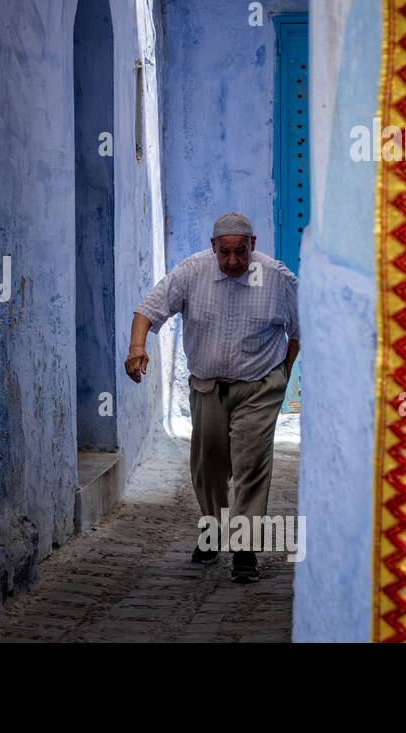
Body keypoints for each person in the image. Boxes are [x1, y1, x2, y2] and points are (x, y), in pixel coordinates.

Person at [124, 212, 299, 584]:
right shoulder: (192, 273)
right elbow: (148, 310)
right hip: (207, 387)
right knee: (209, 467)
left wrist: (282, 373)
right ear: (213, 248)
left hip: (258, 385)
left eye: (240, 252)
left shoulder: (277, 278)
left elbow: (299, 328)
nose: (233, 262)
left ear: (253, 246)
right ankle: (213, 530)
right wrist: (137, 346)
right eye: (225, 253)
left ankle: (245, 548)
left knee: (251, 464)